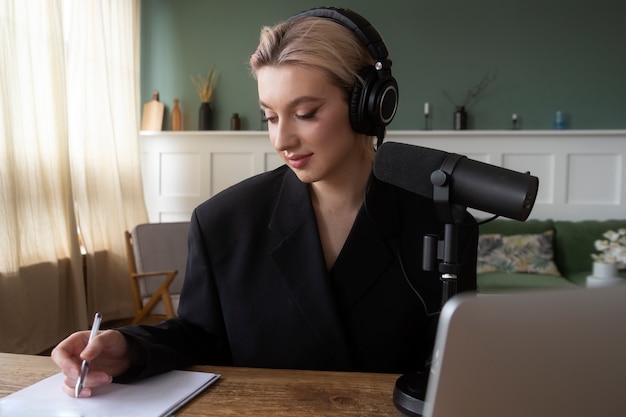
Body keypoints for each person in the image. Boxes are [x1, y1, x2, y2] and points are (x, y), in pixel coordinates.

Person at [52, 6, 478, 397]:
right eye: (270, 117)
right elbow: (200, 335)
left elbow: (452, 365)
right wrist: (128, 348)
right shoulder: (222, 221)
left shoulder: (441, 222)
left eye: (306, 113)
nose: (281, 139)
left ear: (369, 105)